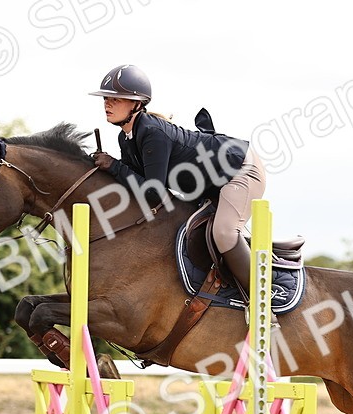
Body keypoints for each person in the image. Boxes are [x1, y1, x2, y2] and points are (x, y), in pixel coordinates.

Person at [89, 64, 265, 293]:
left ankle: (262, 300)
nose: (108, 103)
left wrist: (113, 165)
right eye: (106, 98)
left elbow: (153, 191)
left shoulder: (152, 133)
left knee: (223, 232)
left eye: (117, 99)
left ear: (137, 104)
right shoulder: (127, 138)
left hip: (240, 169)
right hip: (211, 183)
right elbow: (135, 185)